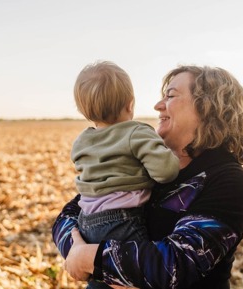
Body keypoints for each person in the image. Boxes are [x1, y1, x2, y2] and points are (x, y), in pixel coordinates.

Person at [52, 64, 243, 289]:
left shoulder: (228, 180)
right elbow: (68, 216)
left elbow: (176, 264)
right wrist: (78, 252)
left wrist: (92, 259)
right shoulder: (141, 162)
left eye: (170, 95)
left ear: (208, 106)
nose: (158, 105)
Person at [67, 60, 180, 288]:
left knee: (101, 280)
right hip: (121, 221)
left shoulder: (81, 142)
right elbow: (166, 172)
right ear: (130, 104)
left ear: (84, 111)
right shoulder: (136, 132)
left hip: (87, 221)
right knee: (140, 278)